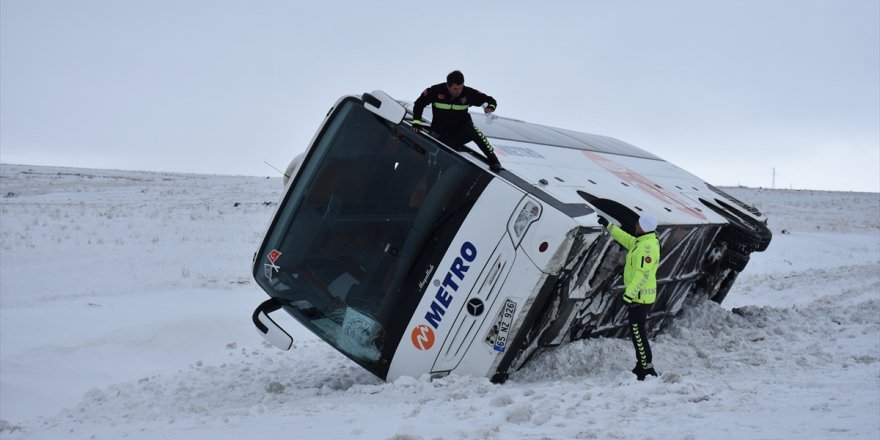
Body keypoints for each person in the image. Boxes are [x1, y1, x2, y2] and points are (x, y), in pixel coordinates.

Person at [598, 214, 661, 380]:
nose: (635, 226)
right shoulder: (642, 241)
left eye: (638, 224)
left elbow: (643, 274)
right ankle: (642, 365)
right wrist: (608, 226)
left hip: (640, 298)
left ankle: (646, 368)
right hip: (639, 297)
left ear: (645, 227)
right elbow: (626, 239)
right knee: (637, 332)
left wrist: (629, 295)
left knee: (638, 333)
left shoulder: (647, 247)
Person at [412, 70, 503, 171]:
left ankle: (494, 160)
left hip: (462, 130)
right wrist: (416, 122)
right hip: (441, 132)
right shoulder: (435, 91)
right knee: (437, 156)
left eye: (461, 87)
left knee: (477, 134)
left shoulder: (469, 93)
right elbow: (419, 104)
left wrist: (490, 107)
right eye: (455, 88)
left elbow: (490, 100)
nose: (458, 91)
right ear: (448, 86)